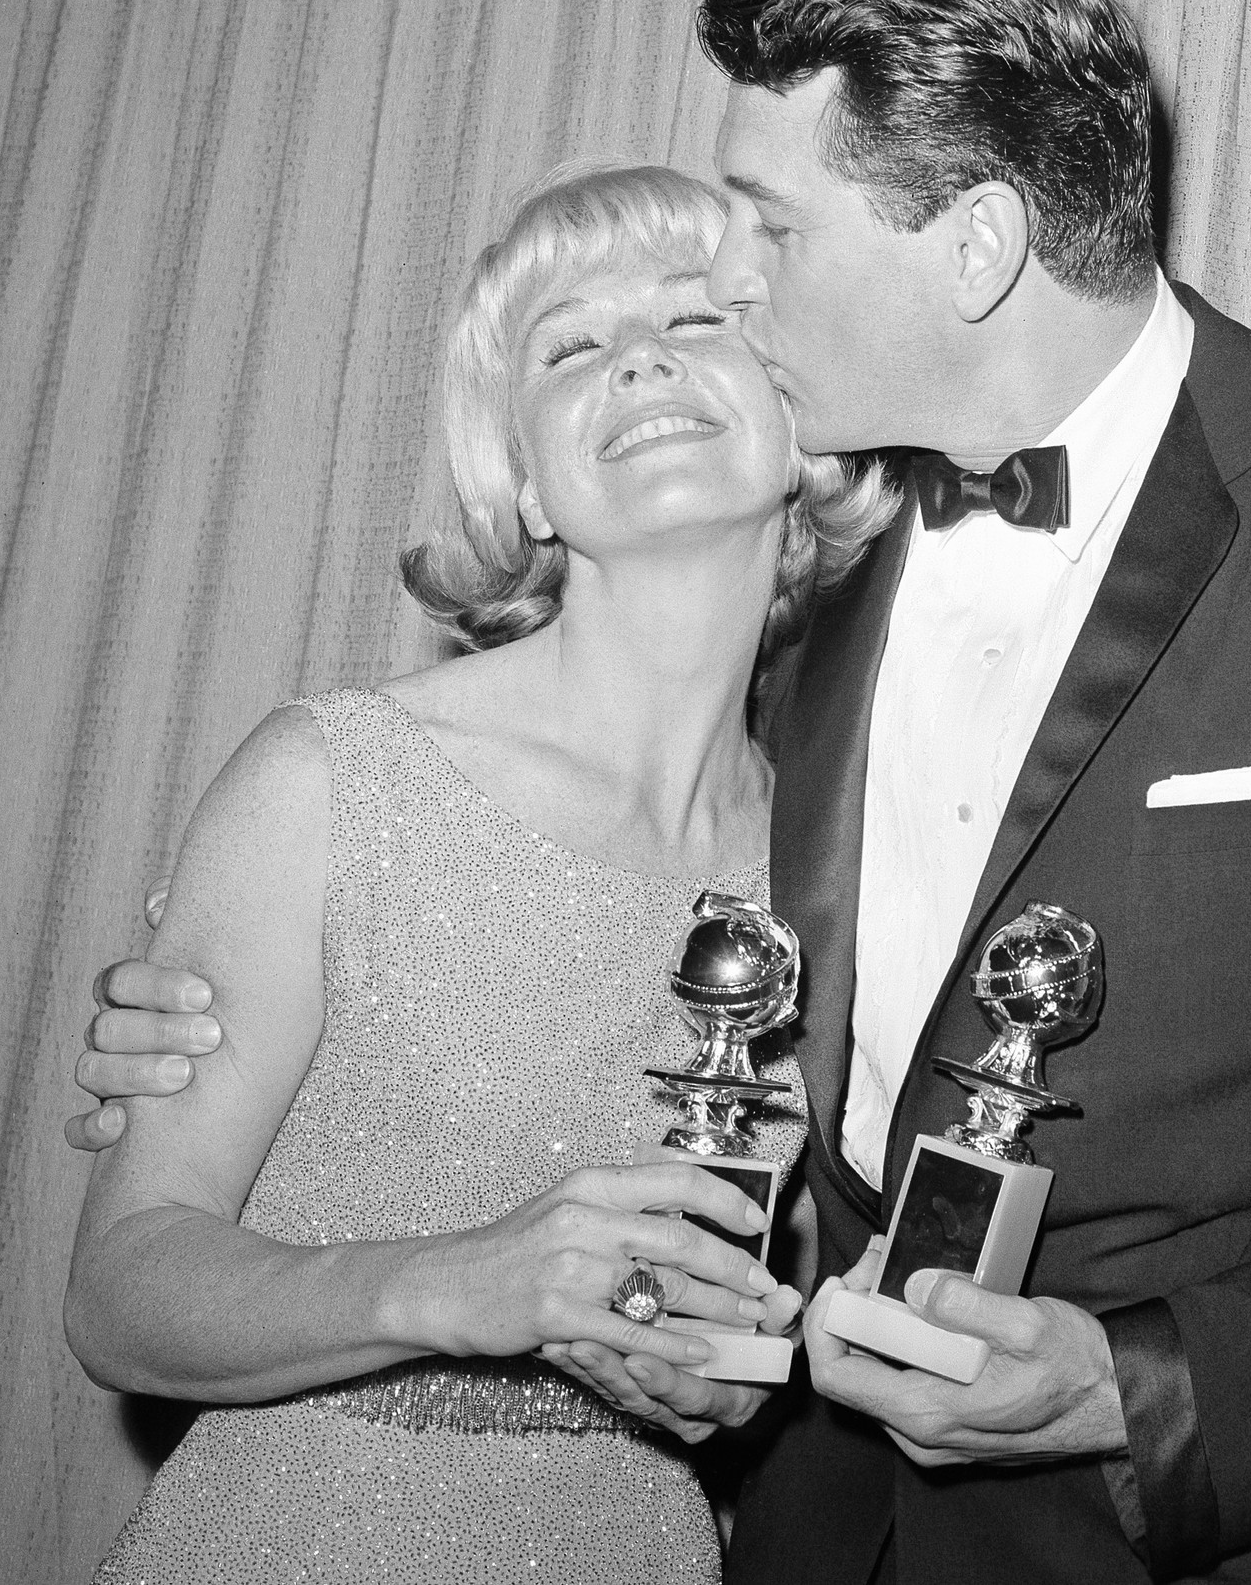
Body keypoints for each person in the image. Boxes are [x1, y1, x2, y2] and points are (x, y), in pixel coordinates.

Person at [75, 0, 1251, 1583]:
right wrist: (219, 1006)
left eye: (771, 234)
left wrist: (1137, 1387)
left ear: (977, 244)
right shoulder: (816, 624)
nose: (730, 284)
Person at [63, 164, 896, 1583]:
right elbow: (119, 1295)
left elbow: (761, 1310)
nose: (639, 357)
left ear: (802, 417)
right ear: (522, 478)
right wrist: (456, 1284)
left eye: (696, 319)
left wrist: (730, 1381)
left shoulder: (840, 871)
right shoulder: (334, 777)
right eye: (571, 346)